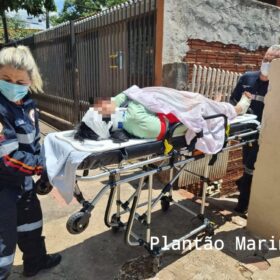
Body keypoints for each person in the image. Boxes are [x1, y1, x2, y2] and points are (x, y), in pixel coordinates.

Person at [0, 46, 61, 279]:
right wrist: (41, 166)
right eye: (6, 79)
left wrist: (43, 166)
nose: (13, 85)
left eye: (20, 81)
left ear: (30, 80)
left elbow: (34, 142)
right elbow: (6, 157)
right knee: (3, 241)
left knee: (31, 223)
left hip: (23, 181)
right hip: (3, 185)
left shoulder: (28, 105)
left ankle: (35, 262)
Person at [230, 44, 280, 214]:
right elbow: (233, 101)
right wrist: (241, 106)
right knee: (247, 165)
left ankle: (242, 203)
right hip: (247, 132)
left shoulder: (277, 87)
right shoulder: (247, 79)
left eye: (272, 62)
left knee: (252, 167)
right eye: (265, 59)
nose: (266, 63)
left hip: (265, 135)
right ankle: (243, 186)